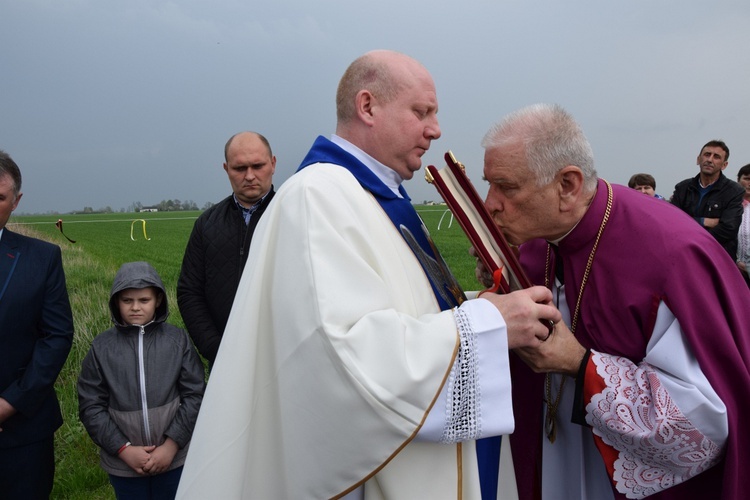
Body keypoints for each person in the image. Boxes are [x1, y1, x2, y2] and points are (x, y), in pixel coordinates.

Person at [177, 50, 561, 500]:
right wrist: (489, 324)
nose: (435, 130)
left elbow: (407, 306)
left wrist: (483, 305)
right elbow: (344, 355)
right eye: (422, 112)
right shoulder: (317, 195)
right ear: (367, 107)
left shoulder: (376, 195)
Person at [478, 104, 750, 499]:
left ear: (567, 185)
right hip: (553, 457)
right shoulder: (542, 241)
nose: (491, 203)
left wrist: (579, 364)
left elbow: (703, 425)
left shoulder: (669, 255)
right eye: (489, 184)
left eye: (506, 187)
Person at [78, 261, 205, 500]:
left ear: (158, 300)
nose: (135, 307)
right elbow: (90, 405)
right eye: (127, 301)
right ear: (116, 302)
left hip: (174, 459)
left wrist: (171, 445)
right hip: (123, 465)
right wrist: (122, 449)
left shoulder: (178, 341)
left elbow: (195, 395)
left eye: (144, 300)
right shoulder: (101, 347)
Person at [0, 150, 74, 499]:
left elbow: (56, 336)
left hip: (22, 432)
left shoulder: (42, 258)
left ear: (16, 201)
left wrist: (10, 403)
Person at [177, 131, 276, 367]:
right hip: (223, 364)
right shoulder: (207, 224)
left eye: (257, 165)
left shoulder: (293, 216)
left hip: (280, 361)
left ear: (273, 164)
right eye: (239, 168)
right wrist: (215, 348)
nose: (250, 176)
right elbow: (189, 292)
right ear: (226, 169)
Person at [671, 140, 744, 258]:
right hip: (684, 255)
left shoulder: (734, 191)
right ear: (698, 159)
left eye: (716, 157)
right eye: (707, 154)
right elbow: (672, 221)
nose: (709, 160)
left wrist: (695, 242)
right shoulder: (682, 188)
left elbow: (728, 229)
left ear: (724, 165)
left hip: (718, 257)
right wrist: (703, 221)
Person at [735, 163, 750, 286]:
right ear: (738, 180)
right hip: (733, 267)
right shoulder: (730, 205)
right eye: (747, 179)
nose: (749, 183)